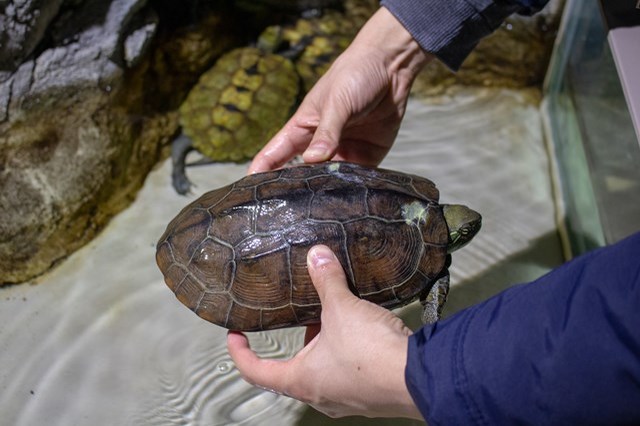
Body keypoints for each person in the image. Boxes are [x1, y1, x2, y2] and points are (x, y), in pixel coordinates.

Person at [227, 1, 640, 423]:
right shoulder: (434, 267)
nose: (466, 228)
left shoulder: (418, 192)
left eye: (464, 231)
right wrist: (388, 55)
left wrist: (409, 375)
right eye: (464, 232)